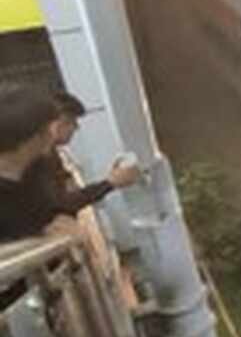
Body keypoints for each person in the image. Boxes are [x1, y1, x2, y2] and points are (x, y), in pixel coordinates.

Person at [23, 92, 140, 220]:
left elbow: (67, 195)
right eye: (70, 121)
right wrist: (110, 183)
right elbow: (61, 204)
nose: (76, 127)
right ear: (54, 124)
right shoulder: (33, 158)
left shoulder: (52, 154)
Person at [0, 85, 64, 242]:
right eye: (48, 130)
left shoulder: (37, 168)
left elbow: (52, 212)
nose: (53, 136)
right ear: (31, 139)